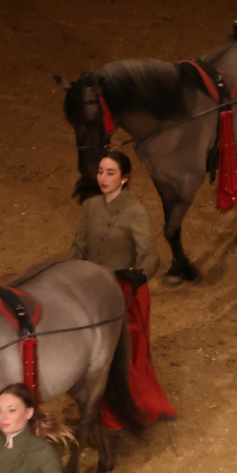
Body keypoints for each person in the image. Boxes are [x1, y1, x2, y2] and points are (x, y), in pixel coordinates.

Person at [71, 149, 175, 422]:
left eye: (110, 173)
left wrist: (141, 274)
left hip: (122, 290)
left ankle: (124, 405)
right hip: (91, 289)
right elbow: (78, 247)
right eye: (100, 172)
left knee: (126, 351)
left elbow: (150, 255)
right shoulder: (90, 207)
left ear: (125, 178)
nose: (103, 178)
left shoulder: (135, 212)